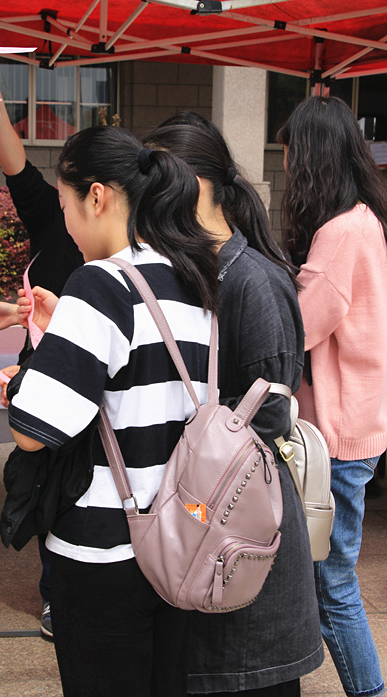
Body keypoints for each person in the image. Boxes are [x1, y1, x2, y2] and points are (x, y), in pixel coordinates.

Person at [5, 124, 220, 697]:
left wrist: (25, 378)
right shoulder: (191, 275)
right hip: (179, 543)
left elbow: (33, 430)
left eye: (64, 207)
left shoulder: (99, 284)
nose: (67, 226)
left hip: (103, 550)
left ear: (96, 196)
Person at [143, 122, 323, 697]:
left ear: (194, 185)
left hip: (243, 527)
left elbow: (268, 415)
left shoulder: (253, 280)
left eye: (155, 181)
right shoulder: (201, 271)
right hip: (209, 525)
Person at [278, 95, 387, 697]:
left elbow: (299, 324)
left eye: (290, 151)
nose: (285, 164)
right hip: (356, 424)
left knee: (333, 586)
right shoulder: (363, 219)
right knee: (331, 580)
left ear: (311, 155)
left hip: (340, 437)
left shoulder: (342, 231)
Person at [0, 66, 83, 641]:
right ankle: (55, 596)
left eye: (68, 186)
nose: (58, 194)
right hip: (41, 371)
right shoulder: (51, 217)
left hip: (86, 376)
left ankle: (80, 594)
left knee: (84, 484)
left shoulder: (127, 242)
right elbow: (17, 168)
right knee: (41, 480)